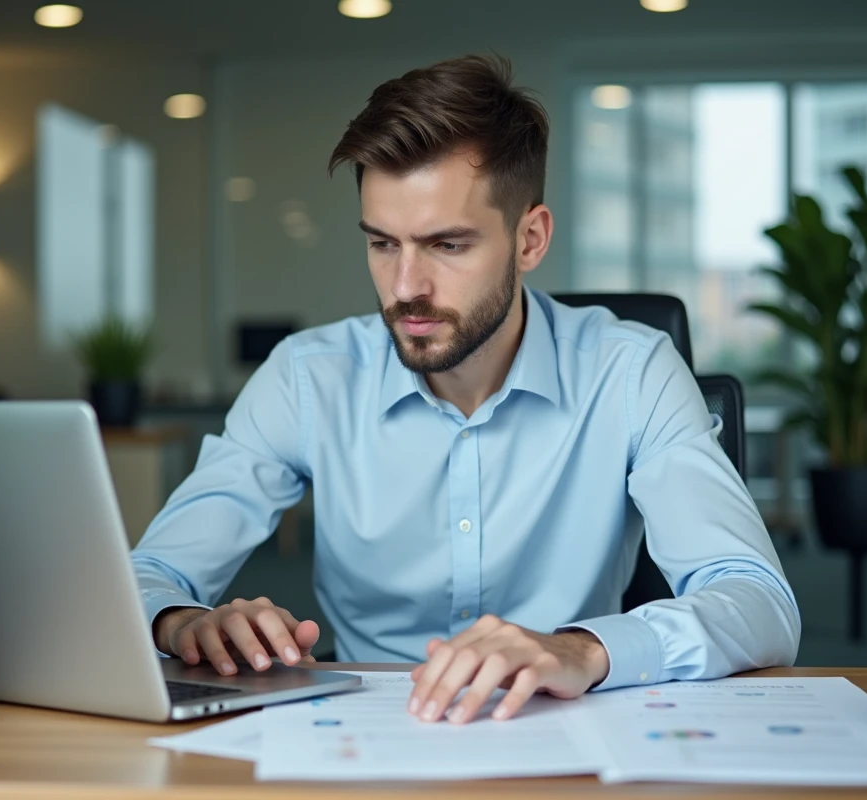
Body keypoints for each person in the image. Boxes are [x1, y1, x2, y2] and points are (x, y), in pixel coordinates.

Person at [132, 54, 800, 726]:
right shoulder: (308, 377)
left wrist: (583, 649)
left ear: (530, 238)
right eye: (383, 244)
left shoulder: (632, 371)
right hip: (362, 740)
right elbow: (140, 577)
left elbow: (758, 603)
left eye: (447, 246)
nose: (404, 288)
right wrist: (181, 621)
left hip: (560, 728)